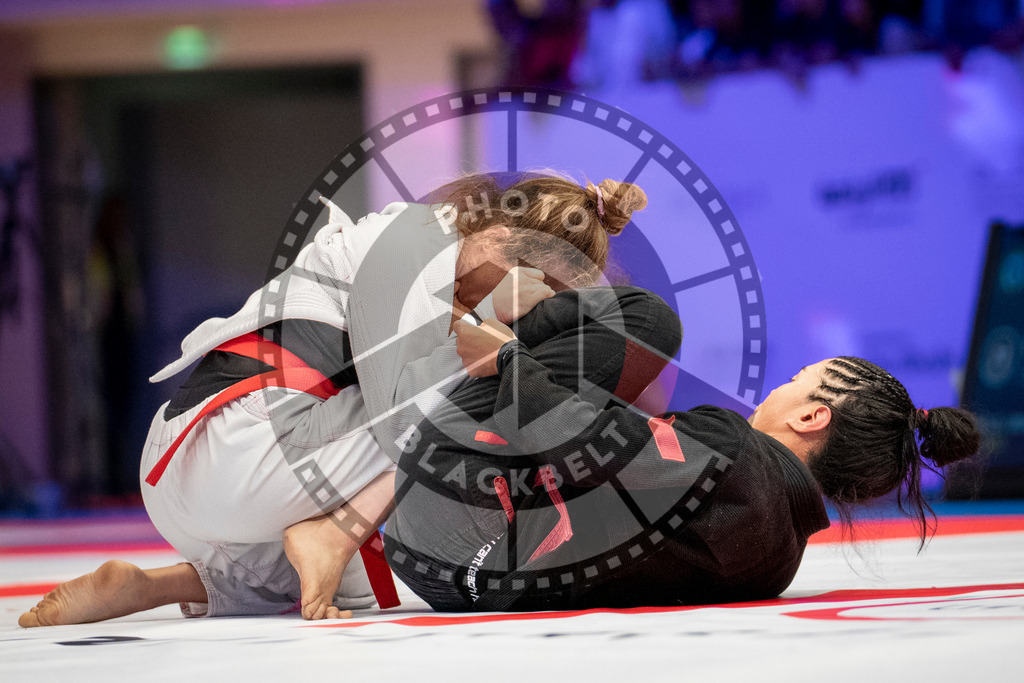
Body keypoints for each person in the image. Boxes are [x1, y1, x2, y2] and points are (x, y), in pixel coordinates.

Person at [18, 173, 647, 627]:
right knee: (481, 390)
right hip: (233, 455)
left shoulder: (435, 262)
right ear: (501, 243)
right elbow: (402, 419)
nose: (538, 302)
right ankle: (325, 539)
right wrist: (501, 328)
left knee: (394, 577)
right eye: (541, 285)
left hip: (217, 489)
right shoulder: (410, 244)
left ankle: (154, 586)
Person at [383, 286, 980, 611]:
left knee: (650, 321)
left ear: (811, 415)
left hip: (447, 523)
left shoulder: (733, 449)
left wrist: (508, 357)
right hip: (459, 578)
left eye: (794, 379)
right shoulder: (778, 564)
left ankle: (491, 315)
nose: (779, 385)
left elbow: (577, 445)